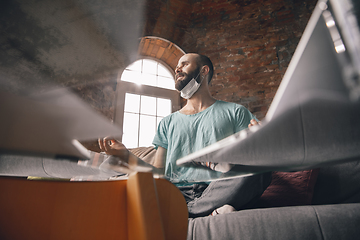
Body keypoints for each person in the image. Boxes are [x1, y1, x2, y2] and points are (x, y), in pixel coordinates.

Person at [99, 53, 271, 217]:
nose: (177, 69)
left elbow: (253, 152)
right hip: (176, 192)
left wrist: (262, 137)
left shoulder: (235, 112)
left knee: (259, 169)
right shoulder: (167, 123)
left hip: (218, 188)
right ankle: (205, 212)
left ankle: (185, 212)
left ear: (204, 71)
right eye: (176, 67)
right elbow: (158, 175)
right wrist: (125, 155)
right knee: (118, 180)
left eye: (184, 64)